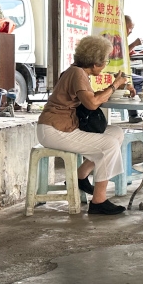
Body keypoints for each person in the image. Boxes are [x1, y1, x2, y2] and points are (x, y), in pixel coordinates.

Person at [37, 35, 131, 216]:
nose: (105, 65)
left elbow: (90, 97)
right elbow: (92, 104)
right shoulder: (77, 73)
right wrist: (115, 84)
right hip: (55, 130)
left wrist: (114, 87)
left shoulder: (76, 72)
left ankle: (80, 176)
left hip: (61, 128)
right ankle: (99, 201)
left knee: (116, 133)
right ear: (95, 63)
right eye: (105, 61)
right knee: (109, 145)